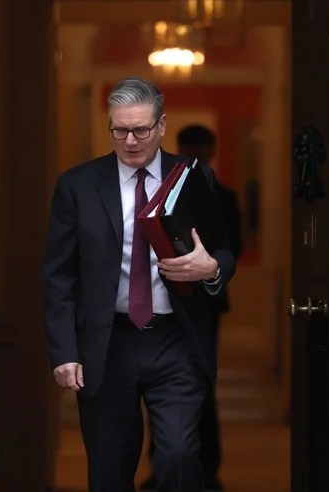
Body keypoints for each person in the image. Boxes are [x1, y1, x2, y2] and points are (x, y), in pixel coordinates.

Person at [43, 76, 237, 492]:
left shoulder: (194, 178)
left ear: (162, 125)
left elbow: (223, 250)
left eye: (141, 130)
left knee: (179, 455)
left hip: (176, 340)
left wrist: (211, 269)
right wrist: (64, 351)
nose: (130, 141)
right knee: (109, 470)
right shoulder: (78, 186)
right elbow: (59, 275)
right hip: (106, 344)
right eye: (119, 131)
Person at [140, 125, 242, 491]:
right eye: (189, 149)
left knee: (199, 381)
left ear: (213, 151)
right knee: (162, 390)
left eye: (202, 150)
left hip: (203, 303)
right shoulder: (160, 192)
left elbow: (231, 247)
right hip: (160, 303)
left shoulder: (222, 193)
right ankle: (163, 467)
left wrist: (209, 268)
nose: (196, 156)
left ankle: (208, 466)